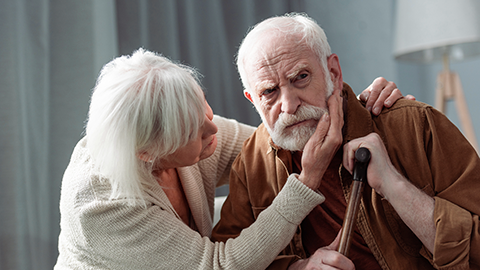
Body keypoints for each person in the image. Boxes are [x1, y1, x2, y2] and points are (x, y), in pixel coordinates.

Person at [54, 48, 406, 269]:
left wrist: (356, 105)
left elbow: (277, 146)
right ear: (148, 153)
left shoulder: (189, 128)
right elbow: (219, 266)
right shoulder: (101, 206)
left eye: (203, 108)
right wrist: (308, 180)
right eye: (195, 131)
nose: (214, 129)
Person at [211, 13, 480, 270]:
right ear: (253, 100)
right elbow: (229, 259)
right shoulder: (252, 160)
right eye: (269, 91)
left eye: (301, 78)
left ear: (333, 73)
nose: (289, 106)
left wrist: (394, 185)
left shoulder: (414, 125)